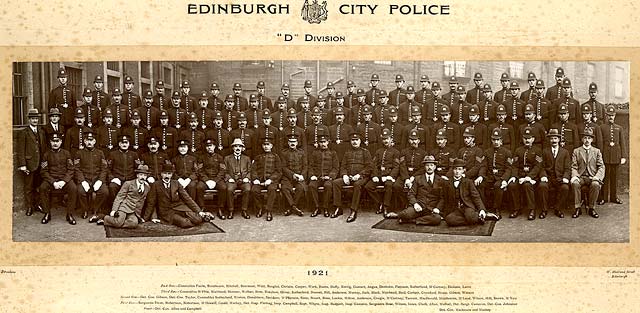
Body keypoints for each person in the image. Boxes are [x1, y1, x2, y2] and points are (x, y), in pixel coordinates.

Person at [145, 163, 214, 228]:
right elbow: (151, 202)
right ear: (161, 174)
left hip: (179, 207)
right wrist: (146, 218)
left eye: (169, 174)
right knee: (185, 223)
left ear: (172, 175)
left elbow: (187, 198)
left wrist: (199, 211)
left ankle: (203, 215)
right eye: (165, 173)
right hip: (167, 212)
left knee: (197, 219)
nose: (167, 176)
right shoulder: (156, 185)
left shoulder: (176, 183)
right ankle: (201, 217)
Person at [438, 159, 499, 226]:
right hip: (454, 209)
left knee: (470, 216)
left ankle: (476, 217)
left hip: (467, 206)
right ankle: (478, 218)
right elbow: (443, 198)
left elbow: (476, 197)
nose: (457, 172)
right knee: (450, 220)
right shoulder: (447, 183)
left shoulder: (468, 182)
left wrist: (482, 209)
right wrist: (438, 209)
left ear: (463, 170)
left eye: (459, 169)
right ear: (452, 170)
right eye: (455, 169)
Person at [331, 132, 373, 223]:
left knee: (357, 185)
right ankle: (338, 207)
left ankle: (353, 210)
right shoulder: (347, 152)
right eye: (353, 140)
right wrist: (344, 175)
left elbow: (369, 167)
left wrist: (359, 175)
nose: (354, 142)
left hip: (361, 177)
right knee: (335, 183)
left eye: (356, 140)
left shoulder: (365, 152)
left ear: (360, 141)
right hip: (349, 177)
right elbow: (343, 166)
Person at [39, 133, 78, 224]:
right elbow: (43, 171)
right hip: (51, 179)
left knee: (73, 188)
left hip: (64, 179)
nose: (55, 143)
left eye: (57, 141)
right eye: (53, 141)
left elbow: (71, 169)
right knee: (42, 188)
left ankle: (70, 214)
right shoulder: (46, 154)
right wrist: (53, 182)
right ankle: (46, 213)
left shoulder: (66, 153)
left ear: (61, 142)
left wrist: (64, 181)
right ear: (50, 142)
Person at [396, 155, 444, 225]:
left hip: (431, 209)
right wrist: (415, 204)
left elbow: (442, 198)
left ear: (435, 167)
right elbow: (411, 194)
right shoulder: (418, 179)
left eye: (431, 165)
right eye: (427, 165)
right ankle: (420, 219)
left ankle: (413, 221)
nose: (429, 167)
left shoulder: (440, 180)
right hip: (419, 206)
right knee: (404, 214)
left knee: (437, 219)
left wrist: (438, 208)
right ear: (424, 167)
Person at [74, 131, 109, 222]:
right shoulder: (79, 153)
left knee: (104, 192)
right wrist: (82, 181)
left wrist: (100, 180)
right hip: (85, 179)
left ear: (95, 141)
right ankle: (85, 209)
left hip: (97, 179)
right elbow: (77, 169)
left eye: (91, 140)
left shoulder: (100, 153)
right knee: (80, 191)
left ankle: (95, 209)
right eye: (87, 140)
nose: (89, 142)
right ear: (84, 141)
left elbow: (104, 168)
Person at [570, 127, 605, 218]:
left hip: (592, 177)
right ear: (582, 139)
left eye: (589, 138)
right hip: (581, 177)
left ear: (592, 139)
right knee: (575, 184)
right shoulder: (576, 151)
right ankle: (577, 208)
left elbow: (601, 166)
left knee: (595, 185)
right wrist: (575, 176)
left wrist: (597, 177)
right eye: (585, 138)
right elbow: (574, 166)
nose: (587, 140)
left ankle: (591, 208)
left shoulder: (597, 151)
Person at [365, 128, 400, 218]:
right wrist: (374, 176)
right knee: (368, 186)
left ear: (391, 139)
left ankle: (386, 207)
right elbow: (374, 165)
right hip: (379, 174)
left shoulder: (396, 152)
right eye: (384, 139)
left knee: (389, 185)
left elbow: (396, 166)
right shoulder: (378, 151)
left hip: (389, 175)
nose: (385, 141)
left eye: (387, 138)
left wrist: (390, 176)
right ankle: (379, 202)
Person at [17, 108, 46, 216]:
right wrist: (23, 165)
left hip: (40, 164)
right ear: (29, 119)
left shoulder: (41, 132)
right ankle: (29, 207)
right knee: (28, 187)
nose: (35, 121)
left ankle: (38, 204)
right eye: (33, 119)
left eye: (36, 119)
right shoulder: (24, 132)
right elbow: (20, 150)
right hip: (29, 164)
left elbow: (44, 148)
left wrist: (44, 162)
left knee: (38, 186)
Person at [538, 129, 571, 218]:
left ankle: (558, 209)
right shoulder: (545, 151)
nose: (554, 141)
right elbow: (541, 166)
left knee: (565, 188)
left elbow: (568, 168)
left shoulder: (565, 152)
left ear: (559, 140)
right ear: (549, 140)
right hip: (548, 177)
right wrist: (543, 176)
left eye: (555, 138)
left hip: (560, 178)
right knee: (542, 186)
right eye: (552, 138)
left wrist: (565, 177)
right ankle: (544, 210)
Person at [598, 105, 627, 205]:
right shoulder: (601, 127)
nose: (611, 117)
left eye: (612, 115)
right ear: (606, 115)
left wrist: (623, 156)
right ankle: (604, 198)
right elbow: (600, 143)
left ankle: (614, 197)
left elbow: (622, 143)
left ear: (615, 116)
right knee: (605, 177)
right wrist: (600, 156)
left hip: (616, 156)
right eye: (609, 115)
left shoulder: (619, 128)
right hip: (605, 155)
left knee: (614, 177)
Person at [250, 136, 282, 221]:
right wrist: (255, 179)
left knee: (272, 190)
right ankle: (260, 208)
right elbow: (253, 170)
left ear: (271, 146)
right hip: (260, 181)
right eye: (264, 145)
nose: (266, 146)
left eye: (268, 144)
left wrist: (271, 180)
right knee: (254, 190)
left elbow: (279, 171)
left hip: (271, 181)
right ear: (262, 146)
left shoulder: (276, 157)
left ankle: (269, 210)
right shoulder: (258, 157)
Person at [308, 135, 339, 218]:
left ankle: (325, 208)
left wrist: (330, 176)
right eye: (321, 142)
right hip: (317, 177)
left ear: (328, 142)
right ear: (318, 143)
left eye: (324, 142)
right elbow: (310, 166)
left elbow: (336, 168)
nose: (323, 144)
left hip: (328, 178)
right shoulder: (315, 153)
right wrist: (312, 175)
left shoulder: (333, 153)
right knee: (311, 185)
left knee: (328, 186)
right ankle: (317, 207)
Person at [223, 138, 252, 219]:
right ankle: (231, 210)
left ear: (242, 148)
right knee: (229, 189)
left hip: (243, 180)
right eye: (236, 146)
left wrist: (247, 178)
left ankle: (244, 210)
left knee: (247, 189)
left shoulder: (246, 158)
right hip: (232, 180)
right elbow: (224, 171)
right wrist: (229, 178)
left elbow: (250, 170)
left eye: (240, 146)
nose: (238, 148)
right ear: (233, 148)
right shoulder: (227, 158)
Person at [280, 134, 308, 217]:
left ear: (297, 143)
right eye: (291, 142)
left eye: (294, 142)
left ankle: (291, 207)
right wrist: (292, 175)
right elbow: (283, 167)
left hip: (299, 176)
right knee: (284, 188)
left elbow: (305, 166)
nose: (292, 143)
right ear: (288, 143)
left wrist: (302, 175)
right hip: (288, 177)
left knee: (300, 188)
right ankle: (294, 207)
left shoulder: (302, 152)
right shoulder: (284, 153)